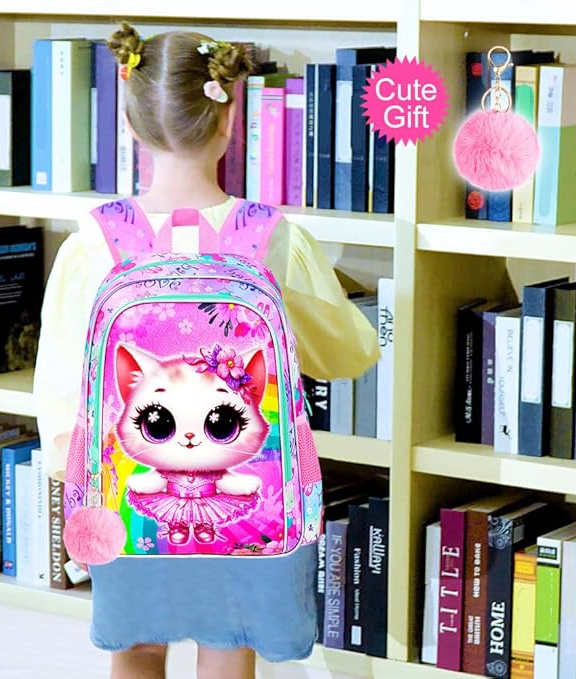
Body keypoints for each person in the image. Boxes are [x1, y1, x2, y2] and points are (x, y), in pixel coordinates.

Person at [34, 23, 379, 679]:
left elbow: (61, 389)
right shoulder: (270, 236)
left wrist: (69, 471)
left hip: (125, 498)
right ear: (229, 121)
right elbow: (347, 352)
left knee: (135, 647)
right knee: (228, 640)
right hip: (247, 506)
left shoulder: (93, 242)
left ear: (130, 126)